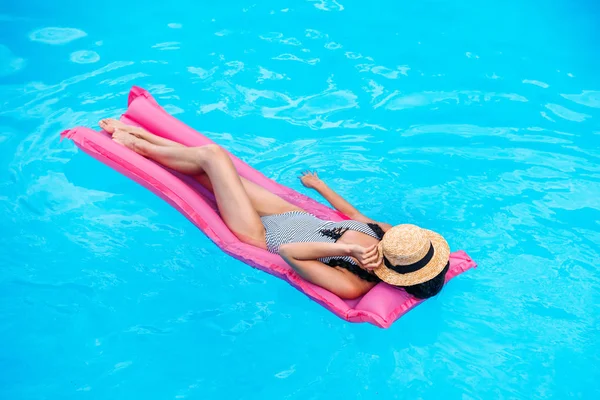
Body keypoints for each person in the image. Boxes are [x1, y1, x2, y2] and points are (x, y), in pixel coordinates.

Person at [98, 119, 451, 300]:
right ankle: (142, 139)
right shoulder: (391, 235)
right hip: (292, 214)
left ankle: (138, 144)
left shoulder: (354, 284)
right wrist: (321, 187)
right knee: (211, 168)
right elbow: (356, 216)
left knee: (214, 157)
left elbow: (289, 252)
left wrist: (345, 248)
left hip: (260, 233)